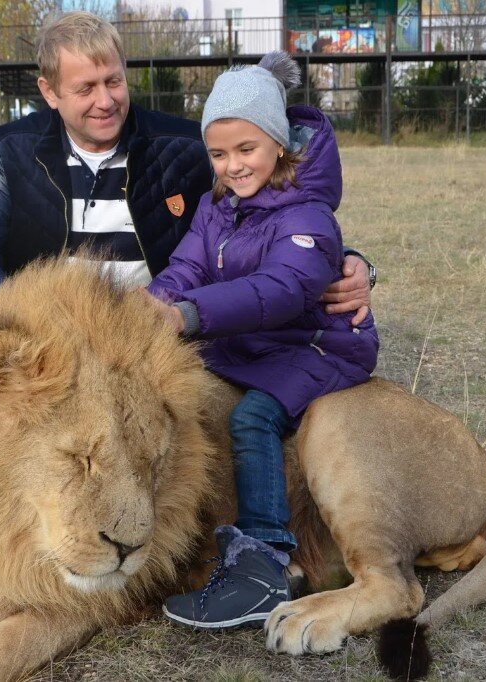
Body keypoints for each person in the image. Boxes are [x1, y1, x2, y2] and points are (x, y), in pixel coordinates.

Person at [0, 11, 374, 320]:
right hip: (46, 335)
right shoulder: (13, 150)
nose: (105, 101)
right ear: (50, 93)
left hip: (152, 331)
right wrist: (15, 313)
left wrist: (352, 261)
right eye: (85, 88)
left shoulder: (185, 146)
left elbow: (274, 208)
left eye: (114, 81)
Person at [145, 52, 379, 629]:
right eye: (219, 154)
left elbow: (282, 290)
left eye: (246, 149)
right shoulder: (216, 207)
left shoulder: (309, 214)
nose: (232, 166)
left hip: (316, 346)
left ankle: (264, 563)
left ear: (279, 143)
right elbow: (186, 267)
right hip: (259, 344)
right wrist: (151, 303)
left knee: (252, 417)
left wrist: (186, 316)